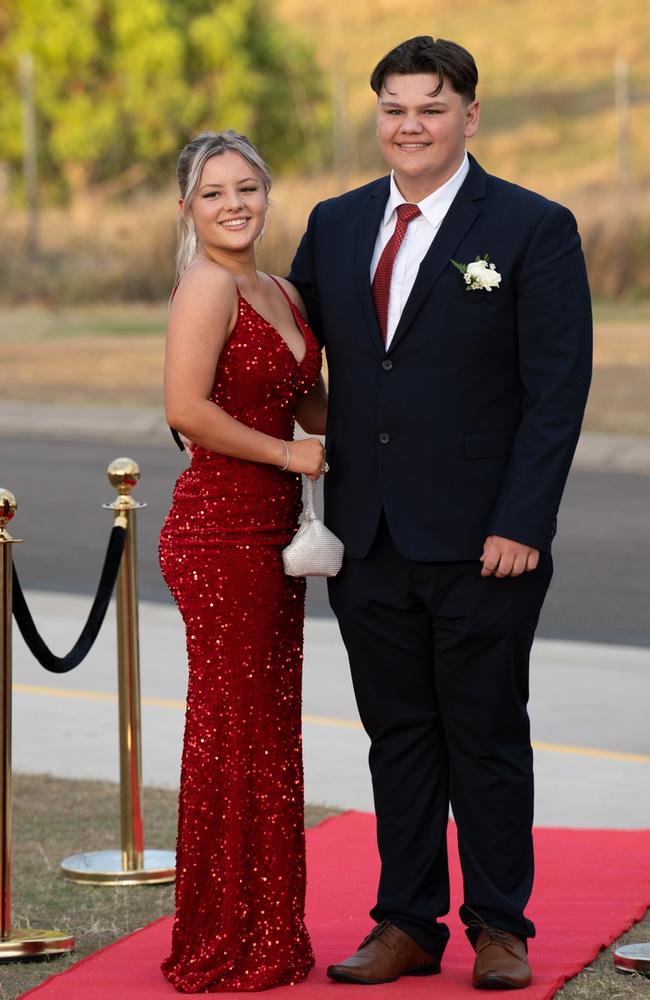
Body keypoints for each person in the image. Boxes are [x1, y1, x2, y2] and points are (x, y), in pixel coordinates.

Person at [289, 36, 592, 990]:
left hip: (485, 541)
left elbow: (556, 391)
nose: (408, 125)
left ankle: (500, 926)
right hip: (367, 537)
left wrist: (522, 523)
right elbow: (295, 358)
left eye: (429, 107)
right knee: (399, 739)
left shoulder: (533, 227)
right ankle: (407, 923)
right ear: (375, 115)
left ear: (470, 114)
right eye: (392, 108)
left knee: (486, 736)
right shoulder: (335, 225)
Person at [159, 129, 327, 992]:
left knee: (269, 733)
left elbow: (314, 402)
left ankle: (269, 931)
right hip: (219, 534)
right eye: (214, 192)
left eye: (247, 188)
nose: (234, 205)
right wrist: (289, 455)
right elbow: (186, 409)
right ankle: (221, 939)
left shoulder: (284, 289)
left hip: (277, 535)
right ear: (189, 207)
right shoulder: (206, 286)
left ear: (268, 192)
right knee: (234, 734)